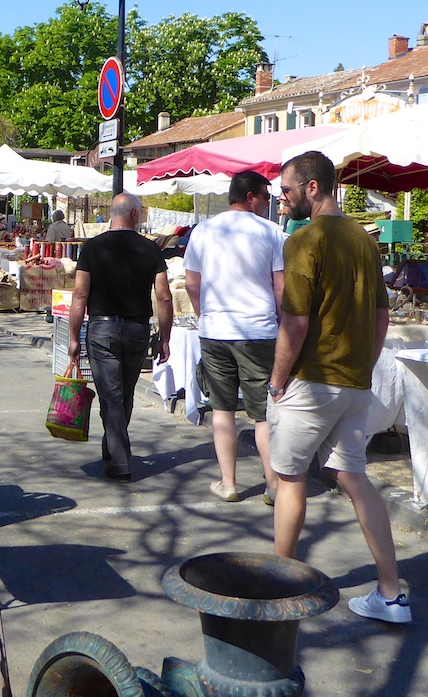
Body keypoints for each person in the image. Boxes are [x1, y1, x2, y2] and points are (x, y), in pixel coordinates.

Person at [268, 151, 406, 625]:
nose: (282, 201)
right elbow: (382, 316)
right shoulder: (365, 242)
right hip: (353, 381)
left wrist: (277, 379)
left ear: (313, 187)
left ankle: (279, 586)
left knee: (289, 479)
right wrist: (363, 364)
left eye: (286, 191)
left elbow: (296, 320)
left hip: (312, 381)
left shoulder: (305, 241)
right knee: (354, 478)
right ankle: (391, 593)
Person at [183, 170, 285, 505]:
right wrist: (281, 320)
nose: (269, 202)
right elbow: (280, 287)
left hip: (215, 330)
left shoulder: (203, 231)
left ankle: (229, 482)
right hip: (258, 331)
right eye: (266, 196)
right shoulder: (272, 233)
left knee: (222, 409)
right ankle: (272, 485)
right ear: (251, 196)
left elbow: (192, 285)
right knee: (262, 413)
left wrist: (205, 316)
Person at [67, 193, 173, 483]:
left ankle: (121, 461)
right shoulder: (151, 249)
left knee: (112, 397)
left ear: (113, 214)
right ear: (135, 215)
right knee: (123, 395)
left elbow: (79, 295)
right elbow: (164, 297)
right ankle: (112, 448)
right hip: (138, 330)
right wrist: (165, 339)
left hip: (102, 330)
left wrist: (73, 336)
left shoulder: (93, 247)